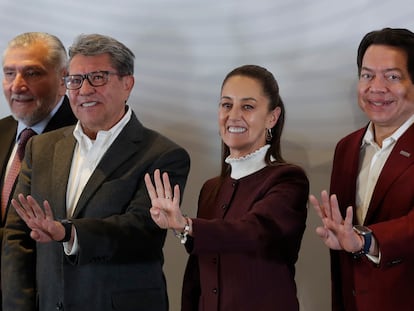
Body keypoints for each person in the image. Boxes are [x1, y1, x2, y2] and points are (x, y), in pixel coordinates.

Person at [1, 33, 190, 311]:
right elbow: (17, 236)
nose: (84, 90)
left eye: (98, 77)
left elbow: (140, 233)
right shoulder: (40, 148)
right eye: (75, 80)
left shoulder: (162, 155)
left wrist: (69, 232)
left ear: (128, 84)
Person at [145, 65, 309, 311]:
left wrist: (186, 225)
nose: (233, 115)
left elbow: (253, 232)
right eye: (226, 104)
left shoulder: (288, 179)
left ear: (272, 117)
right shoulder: (211, 188)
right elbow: (198, 273)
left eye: (248, 106)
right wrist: (183, 230)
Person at [309, 27, 414, 311]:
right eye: (367, 75)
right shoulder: (346, 147)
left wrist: (365, 240)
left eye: (392, 76)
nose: (376, 88)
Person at [0, 32, 76, 308]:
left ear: (64, 79)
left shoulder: (83, 139)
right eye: (9, 73)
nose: (17, 85)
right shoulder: (2, 131)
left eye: (32, 73)